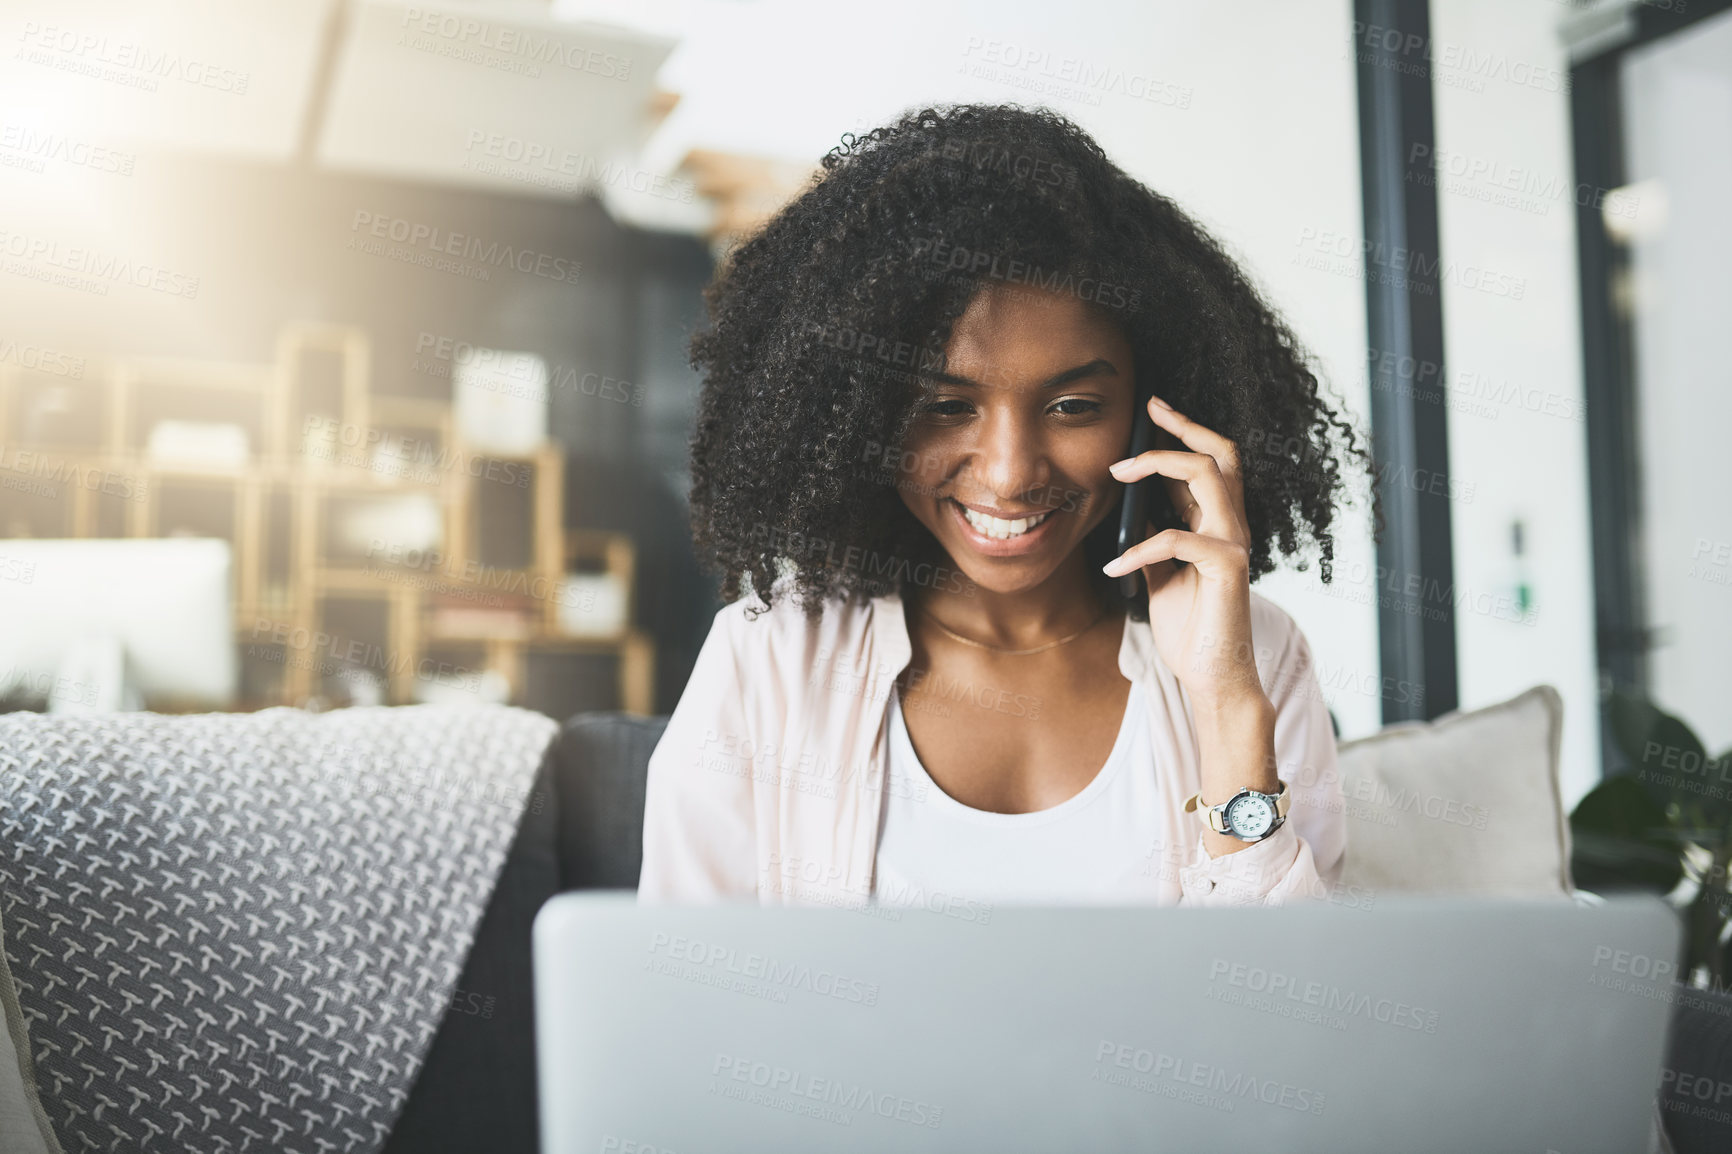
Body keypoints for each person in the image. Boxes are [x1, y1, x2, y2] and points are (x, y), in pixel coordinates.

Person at [638, 103, 1375, 911]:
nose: (1010, 474)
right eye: (948, 407)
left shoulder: (1254, 655)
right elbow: (691, 997)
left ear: (1154, 410)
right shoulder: (769, 660)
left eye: (1072, 407)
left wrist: (1228, 705)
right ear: (855, 416)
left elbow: (1283, 1013)